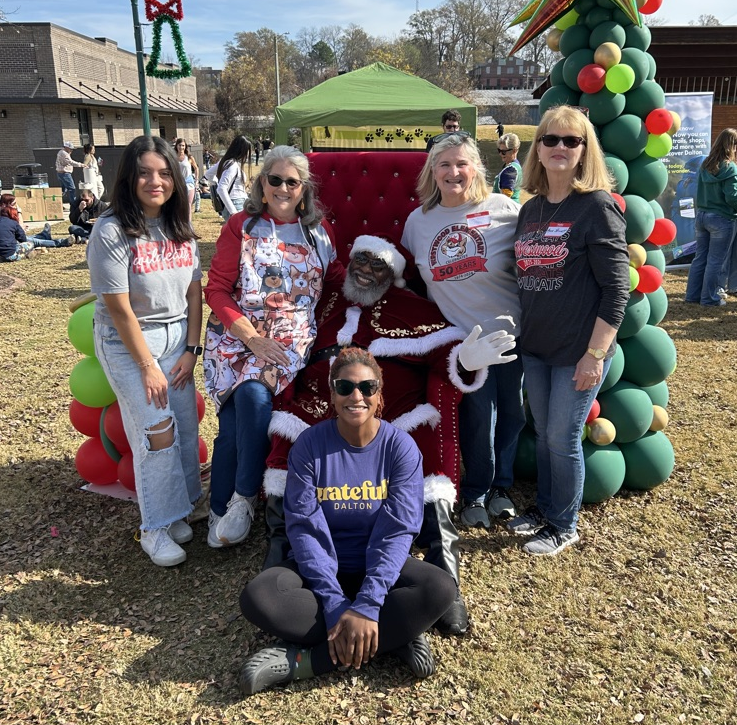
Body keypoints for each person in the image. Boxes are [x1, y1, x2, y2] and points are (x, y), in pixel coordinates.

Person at [263, 233, 516, 634]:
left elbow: (445, 353)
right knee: (287, 433)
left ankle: (445, 573)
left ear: (393, 274)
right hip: (321, 404)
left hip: (393, 411)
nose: (365, 271)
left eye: (377, 265)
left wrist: (465, 359)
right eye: (360, 261)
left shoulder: (410, 308)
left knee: (426, 447)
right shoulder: (327, 302)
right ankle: (281, 557)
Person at [237, 348, 456, 695]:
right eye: (345, 387)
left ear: (380, 394)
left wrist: (367, 603)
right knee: (260, 595)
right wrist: (336, 604)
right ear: (332, 393)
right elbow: (305, 530)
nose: (357, 396)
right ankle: (394, 637)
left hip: (381, 570)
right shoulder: (309, 446)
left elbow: (397, 530)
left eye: (368, 388)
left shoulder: (401, 448)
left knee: (440, 589)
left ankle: (309, 661)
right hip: (321, 571)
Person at [203, 145, 339, 551]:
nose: (282, 187)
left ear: (303, 190)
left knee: (253, 392)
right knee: (230, 428)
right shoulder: (240, 226)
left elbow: (336, 279)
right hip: (238, 334)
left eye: (291, 182)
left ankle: (242, 499)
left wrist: (383, 274)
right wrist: (249, 337)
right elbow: (217, 290)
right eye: (274, 179)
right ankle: (219, 507)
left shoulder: (319, 233)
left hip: (289, 337)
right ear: (262, 184)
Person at [508, 105, 629, 556]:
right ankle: (544, 509)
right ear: (537, 148)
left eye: (570, 141)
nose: (559, 147)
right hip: (537, 347)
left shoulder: (596, 206)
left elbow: (618, 289)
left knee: (562, 436)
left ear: (584, 150)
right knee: (544, 433)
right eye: (550, 139)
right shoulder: (532, 209)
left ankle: (564, 524)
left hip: (579, 349)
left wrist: (595, 355)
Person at [87, 136, 203, 568]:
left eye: (164, 172)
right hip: (128, 341)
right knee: (157, 430)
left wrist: (191, 349)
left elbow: (195, 294)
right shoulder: (111, 229)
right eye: (144, 172)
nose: (156, 181)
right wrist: (147, 366)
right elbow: (118, 307)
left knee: (185, 424)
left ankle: (178, 511)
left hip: (176, 338)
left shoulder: (180, 226)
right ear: (129, 177)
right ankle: (154, 526)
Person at [401, 133, 525, 529]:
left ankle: (501, 488)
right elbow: (412, 282)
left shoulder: (505, 208)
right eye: (444, 164)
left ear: (476, 168)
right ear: (432, 172)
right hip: (460, 343)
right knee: (476, 417)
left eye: (462, 164)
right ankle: (475, 491)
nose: (454, 172)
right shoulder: (418, 222)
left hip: (507, 333)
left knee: (510, 414)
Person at [685, 128, 737, 307]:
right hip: (722, 219)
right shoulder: (730, 167)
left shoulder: (705, 164)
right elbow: (733, 196)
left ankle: (692, 296)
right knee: (716, 261)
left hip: (702, 217)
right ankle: (710, 298)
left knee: (700, 258)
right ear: (732, 146)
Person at [0, 194, 72, 260]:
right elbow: (21, 236)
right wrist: (19, 212)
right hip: (8, 248)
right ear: (8, 205)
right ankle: (59, 242)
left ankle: (44, 235)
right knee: (33, 242)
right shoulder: (5, 215)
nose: (16, 206)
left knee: (31, 238)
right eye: (14, 204)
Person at [214, 135, 252, 220]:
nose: (248, 154)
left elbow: (209, 174)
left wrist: (215, 183)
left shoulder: (226, 162)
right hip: (236, 203)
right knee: (239, 232)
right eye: (247, 151)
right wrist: (233, 211)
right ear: (241, 151)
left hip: (236, 202)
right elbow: (221, 188)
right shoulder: (232, 165)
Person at [494, 133, 523, 202]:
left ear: (514, 151)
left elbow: (505, 199)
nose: (500, 154)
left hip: (507, 210)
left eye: (504, 152)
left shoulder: (511, 170)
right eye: (499, 151)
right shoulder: (516, 165)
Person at [56, 141, 84, 207]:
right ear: (66, 147)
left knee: (63, 190)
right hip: (65, 173)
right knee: (72, 189)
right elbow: (70, 162)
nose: (71, 150)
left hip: (61, 173)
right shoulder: (64, 153)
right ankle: (73, 204)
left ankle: (58, 204)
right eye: (70, 148)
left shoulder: (62, 152)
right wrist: (81, 165)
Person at [174, 139, 195, 213]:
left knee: (188, 204)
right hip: (178, 184)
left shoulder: (189, 157)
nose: (181, 147)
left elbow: (196, 168)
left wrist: (197, 180)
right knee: (179, 205)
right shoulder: (173, 158)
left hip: (189, 183)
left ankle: (188, 223)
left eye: (183, 145)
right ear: (176, 146)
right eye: (179, 145)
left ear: (185, 147)